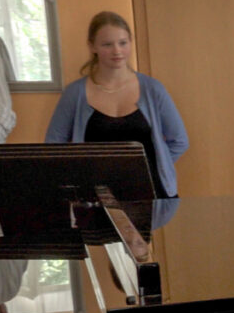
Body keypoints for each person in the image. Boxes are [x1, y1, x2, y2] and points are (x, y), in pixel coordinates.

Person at [45, 11, 188, 198]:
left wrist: (156, 166)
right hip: (94, 196)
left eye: (123, 43)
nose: (117, 51)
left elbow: (179, 141)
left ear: (130, 42)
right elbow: (53, 146)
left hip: (152, 193)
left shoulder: (153, 89)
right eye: (107, 44)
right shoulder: (75, 93)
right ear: (92, 46)